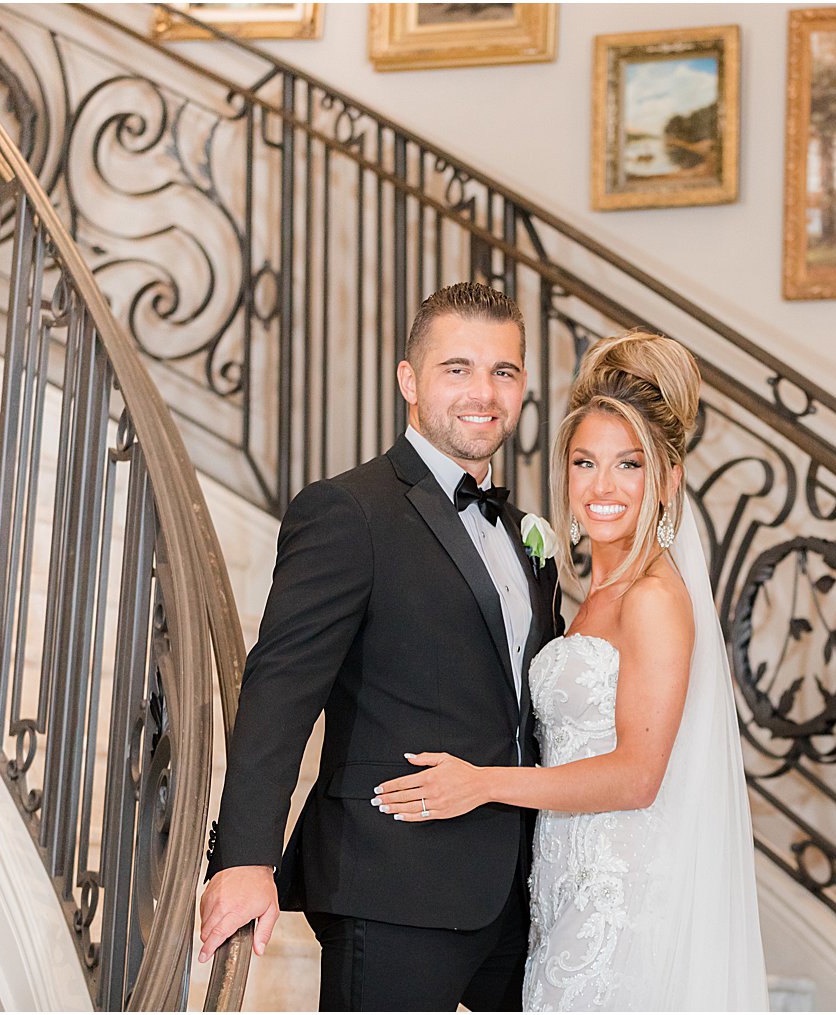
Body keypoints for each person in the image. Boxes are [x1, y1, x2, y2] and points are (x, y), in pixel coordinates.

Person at [374, 331, 769, 1011]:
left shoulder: (652, 598)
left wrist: (480, 784)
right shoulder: (592, 596)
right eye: (585, 462)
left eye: (630, 464)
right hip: (561, 888)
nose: (602, 486)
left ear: (668, 479)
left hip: (620, 902)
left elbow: (638, 775)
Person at [197, 282, 562, 1011]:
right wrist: (243, 858)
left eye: (504, 371)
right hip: (392, 881)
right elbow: (279, 689)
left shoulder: (529, 537)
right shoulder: (348, 510)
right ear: (409, 380)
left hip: (522, 894)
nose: (482, 392)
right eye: (456, 368)